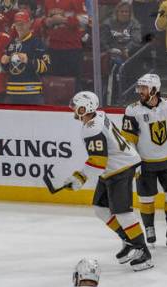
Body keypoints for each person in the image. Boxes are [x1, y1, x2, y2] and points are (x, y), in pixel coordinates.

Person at [63, 91, 153, 271]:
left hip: (120, 167)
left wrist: (79, 177)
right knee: (100, 208)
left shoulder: (92, 128)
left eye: (76, 106)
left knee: (122, 212)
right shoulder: (99, 115)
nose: (73, 109)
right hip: (113, 168)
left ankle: (143, 251)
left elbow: (98, 161)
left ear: (85, 108)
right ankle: (129, 240)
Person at [121, 72, 167, 248]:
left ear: (154, 89)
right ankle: (149, 228)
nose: (140, 91)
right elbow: (129, 140)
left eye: (144, 88)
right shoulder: (132, 110)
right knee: (146, 198)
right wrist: (133, 162)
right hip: (145, 164)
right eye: (140, 87)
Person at [2, 10, 50, 103]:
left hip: (32, 94)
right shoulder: (11, 44)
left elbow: (46, 67)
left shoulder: (37, 43)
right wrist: (4, 63)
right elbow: (9, 70)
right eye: (18, 24)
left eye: (23, 24)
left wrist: (28, 60)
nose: (20, 27)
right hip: (12, 94)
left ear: (29, 24)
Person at [35, 0, 87, 79]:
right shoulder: (47, 1)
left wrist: (64, 20)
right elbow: (43, 20)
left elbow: (84, 19)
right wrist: (47, 22)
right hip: (52, 49)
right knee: (53, 83)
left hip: (72, 49)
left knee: (73, 85)